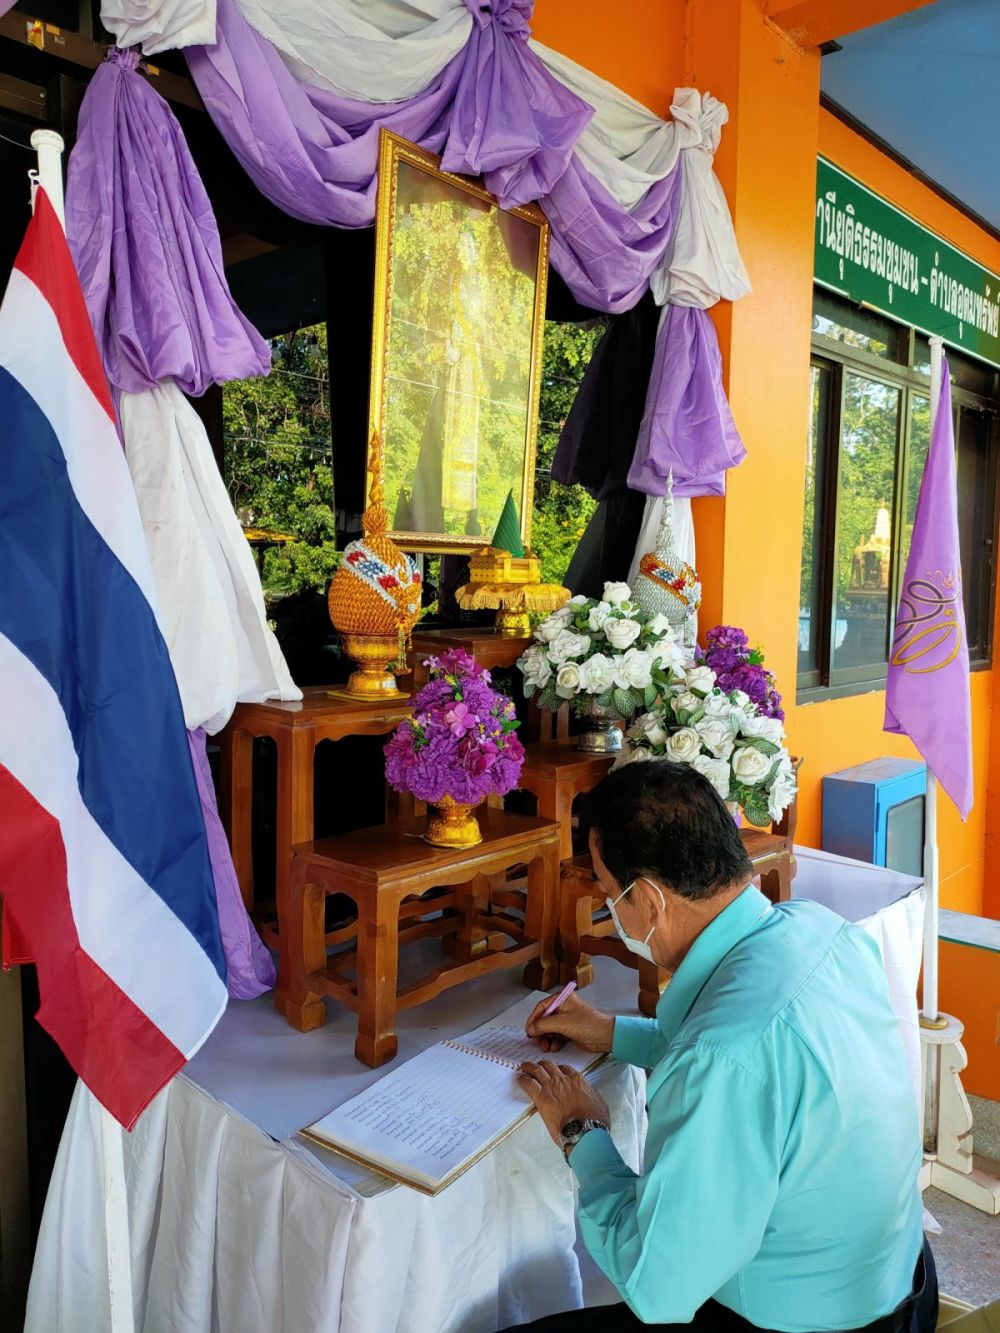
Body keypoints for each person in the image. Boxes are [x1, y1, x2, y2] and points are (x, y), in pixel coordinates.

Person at [509, 762, 936, 1332]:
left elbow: (658, 1289)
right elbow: (757, 1059)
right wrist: (611, 1032)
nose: (613, 913)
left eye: (611, 895)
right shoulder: (820, 930)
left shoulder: (718, 1059)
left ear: (653, 902)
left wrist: (584, 1133)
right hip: (900, 1279)